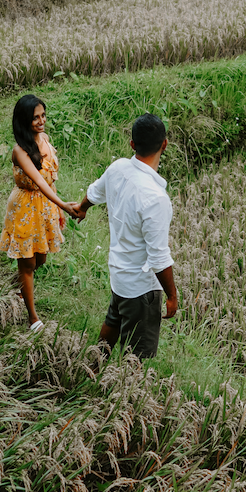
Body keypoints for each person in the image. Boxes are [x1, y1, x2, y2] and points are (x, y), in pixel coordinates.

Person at [75, 113, 178, 358]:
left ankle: (93, 368)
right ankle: (127, 392)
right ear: (164, 144)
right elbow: (158, 258)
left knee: (113, 321)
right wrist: (172, 296)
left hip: (119, 274)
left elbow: (94, 193)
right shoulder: (156, 198)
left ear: (132, 144)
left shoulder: (118, 168)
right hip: (142, 288)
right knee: (138, 354)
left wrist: (82, 208)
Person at [0, 94, 81, 331]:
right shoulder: (19, 150)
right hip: (25, 208)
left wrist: (57, 210)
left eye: (43, 115)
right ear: (24, 120)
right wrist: (64, 204)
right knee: (27, 263)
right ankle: (33, 318)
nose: (41, 121)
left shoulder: (44, 139)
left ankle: (21, 286)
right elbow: (38, 181)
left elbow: (50, 180)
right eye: (35, 118)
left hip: (45, 207)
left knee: (40, 259)